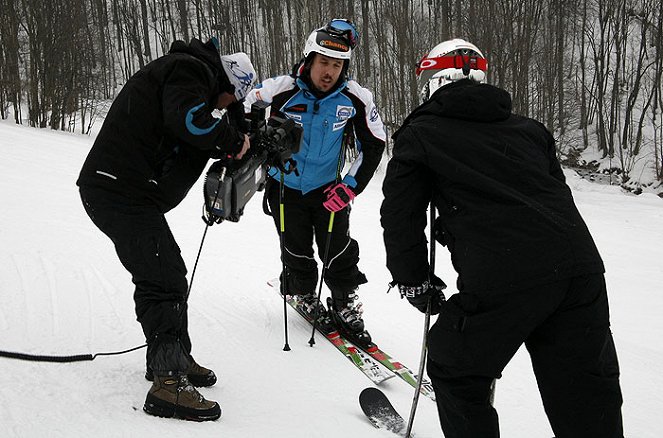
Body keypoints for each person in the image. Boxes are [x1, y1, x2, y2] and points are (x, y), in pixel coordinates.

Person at [381, 38, 623, 437]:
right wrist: (460, 226)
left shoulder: (421, 132)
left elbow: (400, 214)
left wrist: (411, 278)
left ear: (433, 83)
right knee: (584, 392)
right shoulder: (530, 130)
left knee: (454, 368)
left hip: (504, 274)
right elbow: (543, 197)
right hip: (579, 269)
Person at [77, 37, 256, 422]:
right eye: (227, 102)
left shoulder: (190, 76)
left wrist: (237, 139)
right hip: (116, 189)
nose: (222, 109)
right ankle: (168, 383)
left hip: (126, 190)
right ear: (226, 84)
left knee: (167, 270)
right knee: (162, 277)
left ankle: (174, 358)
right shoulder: (189, 70)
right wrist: (229, 138)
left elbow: (194, 125)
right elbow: (190, 120)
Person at [244, 19, 385, 344]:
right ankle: (304, 293)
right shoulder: (282, 88)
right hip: (284, 187)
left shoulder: (355, 97)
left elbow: (375, 143)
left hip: (329, 190)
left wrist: (350, 185)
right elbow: (248, 103)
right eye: (323, 62)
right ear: (309, 60)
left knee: (337, 248)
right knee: (296, 248)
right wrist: (253, 136)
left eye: (337, 65)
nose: (328, 72)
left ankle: (344, 302)